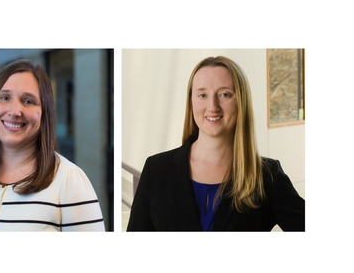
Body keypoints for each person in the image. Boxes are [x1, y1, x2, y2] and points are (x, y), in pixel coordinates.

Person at [127, 56, 305, 231]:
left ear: (241, 102)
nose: (213, 106)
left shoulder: (267, 176)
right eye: (202, 94)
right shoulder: (156, 170)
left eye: (224, 94)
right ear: (192, 102)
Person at [0, 60, 104, 232]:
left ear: (45, 113)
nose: (15, 111)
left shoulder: (70, 180)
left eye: (28, 101)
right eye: (5, 97)